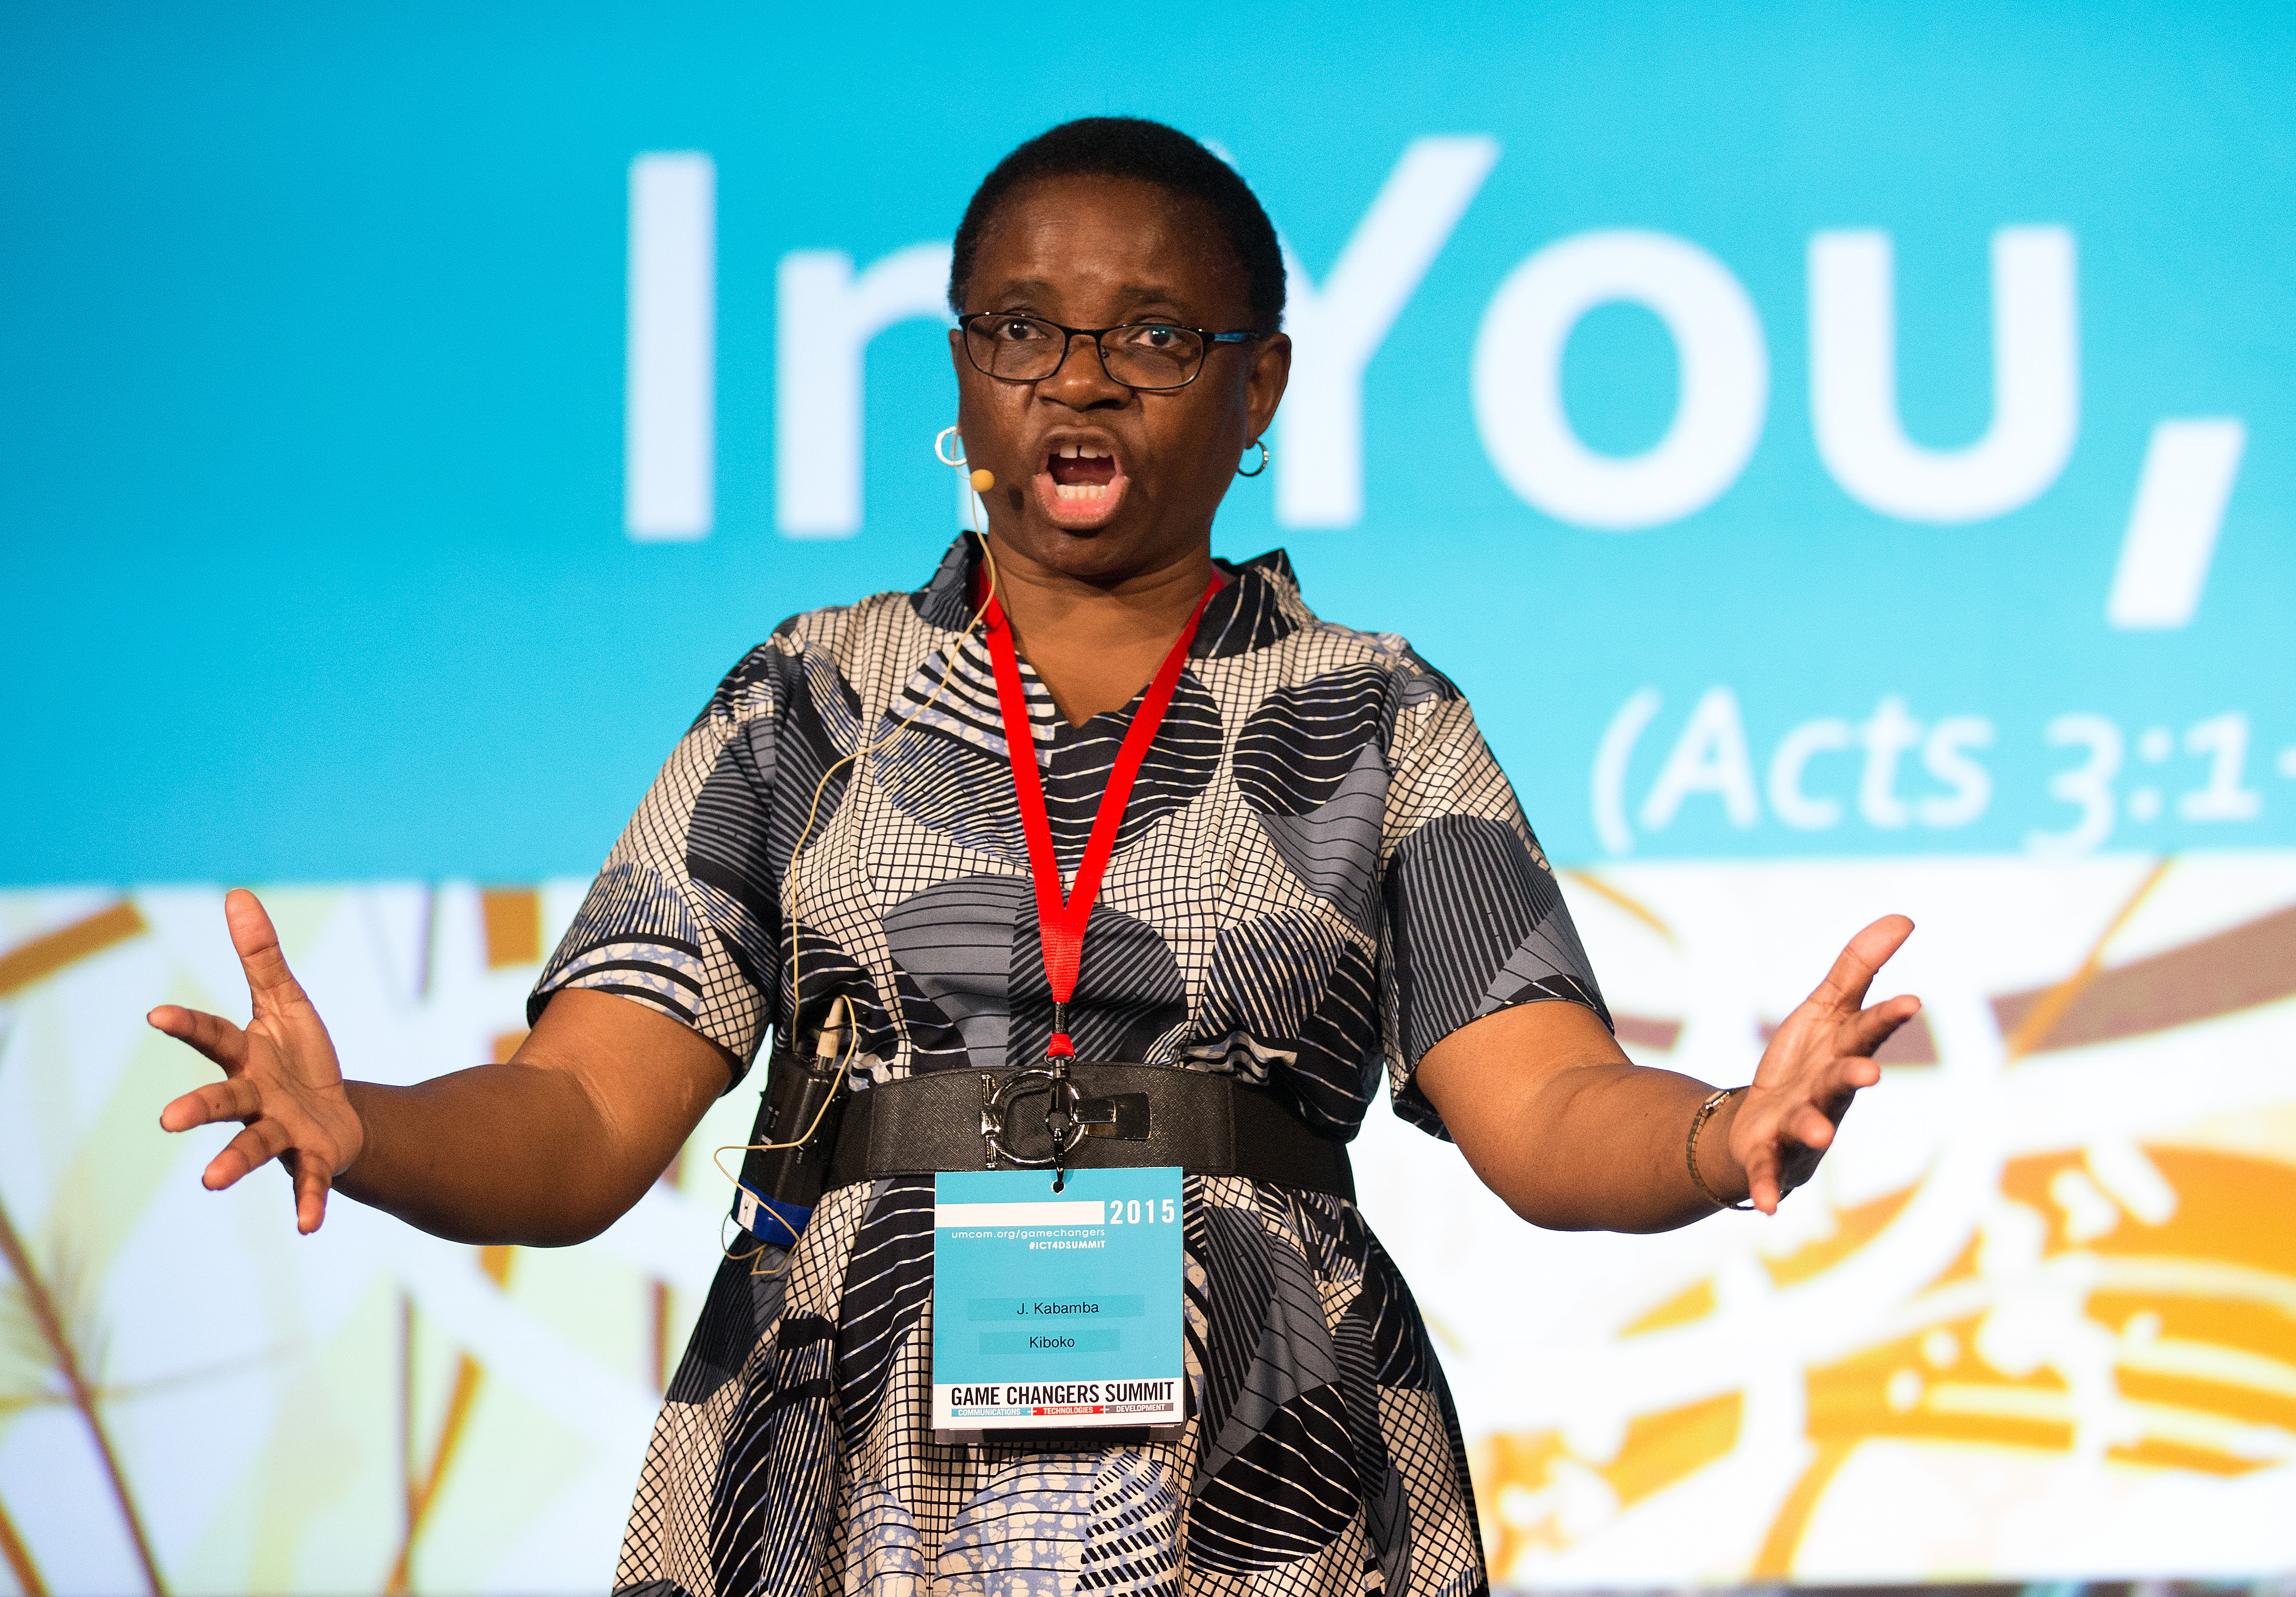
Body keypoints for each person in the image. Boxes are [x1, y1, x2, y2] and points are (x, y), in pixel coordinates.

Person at [149, 117, 1920, 1597]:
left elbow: (1545, 1110)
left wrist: (1715, 1136)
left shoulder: (1375, 713)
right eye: (1023, 329)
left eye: (1157, 337)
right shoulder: (811, 698)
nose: (1080, 378)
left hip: (1265, 1467)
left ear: (1260, 389)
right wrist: (367, 1125)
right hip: (849, 1469)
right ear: (963, 371)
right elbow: (585, 1118)